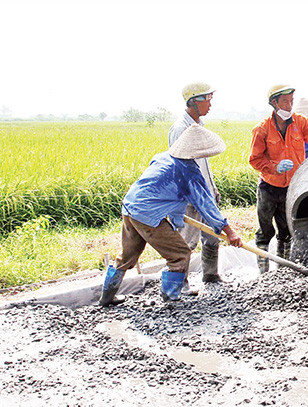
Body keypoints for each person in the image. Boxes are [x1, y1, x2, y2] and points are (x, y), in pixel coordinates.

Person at [99, 125, 243, 307]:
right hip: (147, 214)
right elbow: (207, 206)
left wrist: (175, 221)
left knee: (128, 256)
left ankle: (106, 297)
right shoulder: (189, 173)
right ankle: (170, 299)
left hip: (130, 207)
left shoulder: (163, 157)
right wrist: (230, 232)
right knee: (180, 253)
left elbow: (171, 197)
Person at [249, 85, 308, 273]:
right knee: (265, 231)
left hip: (292, 187)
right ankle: (263, 273)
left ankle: (282, 271)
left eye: (292, 101)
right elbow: (255, 159)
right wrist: (275, 167)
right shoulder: (262, 129)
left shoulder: (300, 122)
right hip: (269, 187)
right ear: (274, 103)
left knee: (286, 230)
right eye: (285, 101)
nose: (290, 105)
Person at [168, 82, 223, 289]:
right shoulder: (180, 128)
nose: (210, 104)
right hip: (190, 195)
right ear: (194, 102)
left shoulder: (199, 126)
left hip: (206, 192)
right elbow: (180, 166)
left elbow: (203, 164)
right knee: (186, 242)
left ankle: (210, 275)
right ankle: (180, 283)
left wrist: (212, 187)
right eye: (207, 100)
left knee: (212, 236)